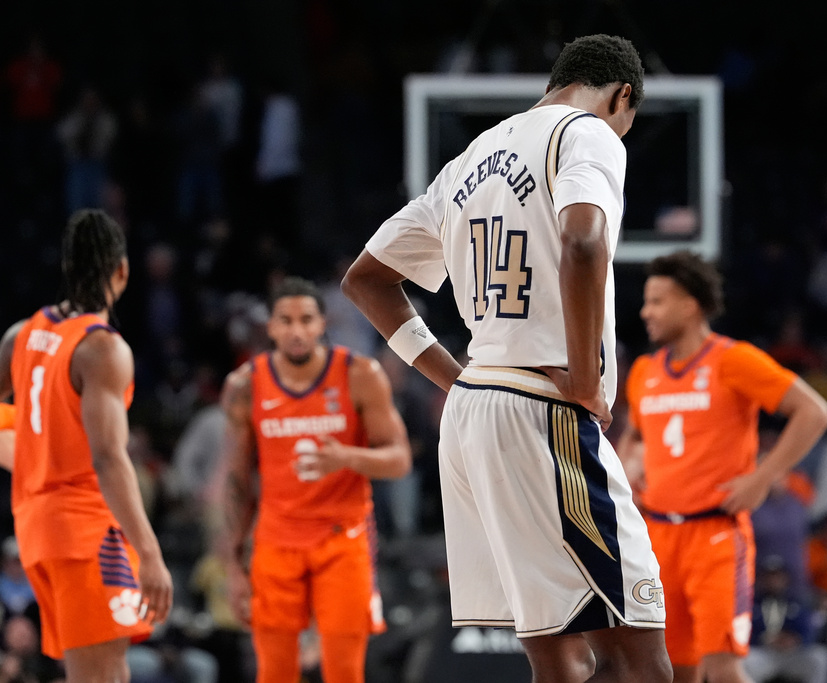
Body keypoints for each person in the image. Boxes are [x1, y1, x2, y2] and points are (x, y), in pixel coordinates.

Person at [342, 34, 673, 683]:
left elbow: (366, 278)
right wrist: (586, 378)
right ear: (621, 96)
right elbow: (584, 241)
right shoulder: (590, 133)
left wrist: (452, 377)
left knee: (561, 658)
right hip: (542, 408)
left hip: (474, 413)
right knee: (643, 654)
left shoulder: (473, 157)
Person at [616, 250, 827, 683]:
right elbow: (638, 437)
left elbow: (815, 412)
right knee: (672, 670)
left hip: (715, 533)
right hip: (657, 537)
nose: (645, 312)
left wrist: (763, 477)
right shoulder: (643, 371)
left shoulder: (733, 360)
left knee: (723, 669)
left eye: (657, 301)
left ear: (690, 305)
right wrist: (629, 467)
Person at [0, 208, 173, 679]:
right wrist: (151, 552)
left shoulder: (21, 336)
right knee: (103, 674)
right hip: (86, 533)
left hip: (37, 529)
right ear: (122, 270)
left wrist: (26, 455)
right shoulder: (102, 348)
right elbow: (109, 458)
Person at [219, 276, 412, 683]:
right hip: (275, 541)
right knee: (273, 673)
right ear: (269, 327)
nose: (296, 330)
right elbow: (236, 480)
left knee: (344, 671)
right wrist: (233, 563)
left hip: (342, 540)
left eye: (306, 319)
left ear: (322, 323)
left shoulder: (359, 374)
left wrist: (348, 457)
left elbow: (400, 460)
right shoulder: (244, 385)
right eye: (285, 320)